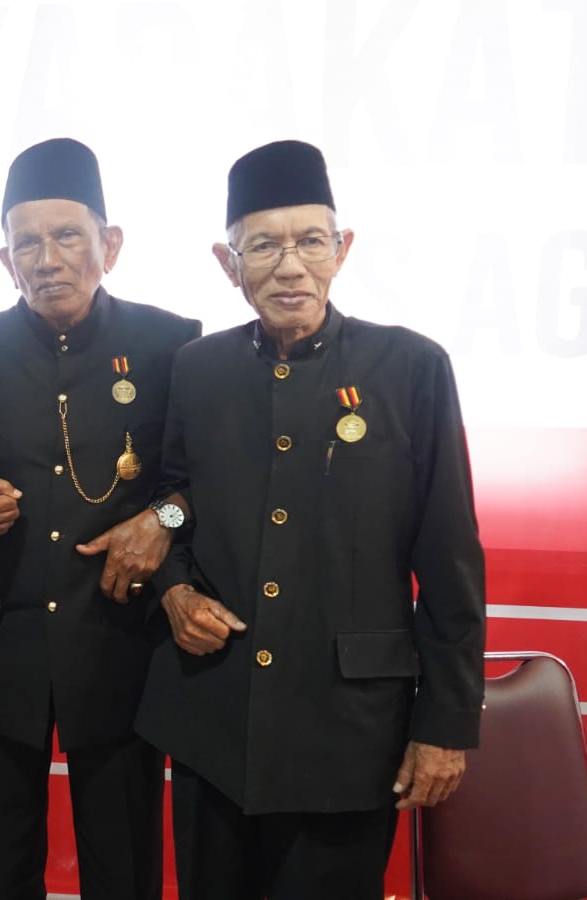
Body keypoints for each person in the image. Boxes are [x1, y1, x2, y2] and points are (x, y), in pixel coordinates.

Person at [134, 140, 486, 899]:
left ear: (342, 249)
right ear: (229, 264)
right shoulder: (199, 369)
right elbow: (172, 500)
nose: (289, 267)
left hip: (349, 730)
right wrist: (173, 589)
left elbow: (450, 556)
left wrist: (445, 725)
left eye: (310, 242)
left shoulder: (411, 368)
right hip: (215, 715)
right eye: (263, 246)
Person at [0, 137, 201, 900]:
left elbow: (202, 482)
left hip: (118, 643)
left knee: (123, 865)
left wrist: (165, 517)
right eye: (28, 243)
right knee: (3, 862)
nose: (48, 259)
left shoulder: (173, 346)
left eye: (67, 236)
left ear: (109, 245)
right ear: (6, 259)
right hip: (6, 647)